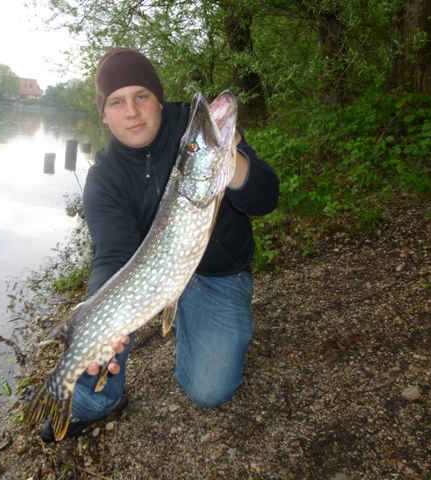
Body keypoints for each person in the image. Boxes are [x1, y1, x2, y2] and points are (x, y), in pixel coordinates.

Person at [40, 47, 279, 442]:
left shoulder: (192, 131)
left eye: (142, 96)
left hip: (218, 274)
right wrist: (98, 318)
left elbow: (266, 199)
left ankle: (192, 322)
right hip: (147, 280)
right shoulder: (104, 178)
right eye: (117, 102)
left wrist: (229, 159)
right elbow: (113, 254)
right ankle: (98, 399)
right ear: (104, 115)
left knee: (210, 390)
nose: (132, 111)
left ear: (159, 100)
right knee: (103, 325)